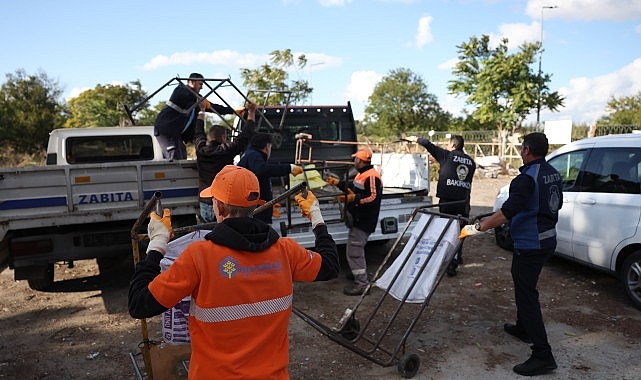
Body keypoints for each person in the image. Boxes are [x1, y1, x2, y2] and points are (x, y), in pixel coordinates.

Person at [128, 165, 339, 379]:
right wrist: (316, 216)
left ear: (218, 207)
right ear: (257, 204)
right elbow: (329, 266)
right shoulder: (286, 251)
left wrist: (157, 244)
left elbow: (139, 304)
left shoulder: (199, 256)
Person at [459, 132, 562, 376]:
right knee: (524, 285)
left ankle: (543, 355)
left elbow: (506, 213)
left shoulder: (526, 179)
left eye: (522, 147)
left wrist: (476, 228)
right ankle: (523, 328)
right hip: (547, 239)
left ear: (526, 150)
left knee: (526, 294)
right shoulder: (552, 173)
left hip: (531, 243)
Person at [407, 134, 476, 276]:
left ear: (453, 146)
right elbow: (468, 186)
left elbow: (428, 144)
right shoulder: (471, 162)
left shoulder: (447, 156)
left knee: (445, 231)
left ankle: (446, 261)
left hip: (447, 201)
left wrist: (415, 139)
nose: (446, 146)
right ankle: (456, 260)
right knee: (460, 232)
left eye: (448, 144)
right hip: (463, 202)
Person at [327, 147, 382, 296]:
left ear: (360, 161)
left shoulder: (371, 176)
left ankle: (362, 284)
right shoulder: (362, 174)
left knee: (354, 252)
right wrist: (339, 183)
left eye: (356, 159)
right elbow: (354, 187)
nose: (354, 161)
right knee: (355, 249)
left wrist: (353, 199)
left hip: (364, 220)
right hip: (359, 219)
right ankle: (356, 272)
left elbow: (373, 197)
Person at [194, 101, 257, 223]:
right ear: (223, 137)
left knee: (209, 235)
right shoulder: (226, 150)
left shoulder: (201, 150)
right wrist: (251, 112)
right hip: (225, 202)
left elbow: (198, 133)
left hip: (206, 201)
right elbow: (245, 137)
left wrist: (201, 111)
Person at [153, 73, 237, 161]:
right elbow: (187, 95)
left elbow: (213, 107)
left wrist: (233, 111)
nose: (202, 87)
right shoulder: (181, 90)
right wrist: (201, 100)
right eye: (200, 84)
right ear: (192, 82)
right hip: (165, 131)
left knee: (182, 157)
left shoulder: (195, 98)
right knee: (174, 157)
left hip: (176, 134)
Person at [237, 133, 304, 224]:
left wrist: (269, 203)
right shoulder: (254, 156)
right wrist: (289, 168)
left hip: (256, 208)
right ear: (267, 147)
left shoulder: (249, 154)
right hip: (256, 214)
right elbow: (262, 170)